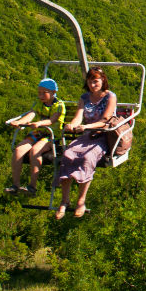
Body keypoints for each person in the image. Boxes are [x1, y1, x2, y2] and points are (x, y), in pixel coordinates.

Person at [55, 67, 117, 219]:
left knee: (87, 158)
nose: (92, 85)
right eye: (90, 81)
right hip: (87, 135)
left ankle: (81, 201)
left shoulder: (110, 97)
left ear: (103, 81)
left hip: (103, 136)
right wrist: (72, 124)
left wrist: (86, 126)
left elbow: (105, 120)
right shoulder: (84, 98)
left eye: (95, 81)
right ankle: (65, 200)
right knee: (68, 155)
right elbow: (78, 117)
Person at [5, 78, 66, 195]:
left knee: (35, 151)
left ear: (53, 92)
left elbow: (52, 120)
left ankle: (32, 186)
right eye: (39, 93)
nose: (41, 96)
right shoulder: (38, 103)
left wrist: (39, 123)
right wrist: (20, 122)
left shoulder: (59, 105)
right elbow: (31, 114)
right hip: (38, 133)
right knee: (18, 150)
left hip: (51, 135)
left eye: (44, 93)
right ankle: (15, 185)